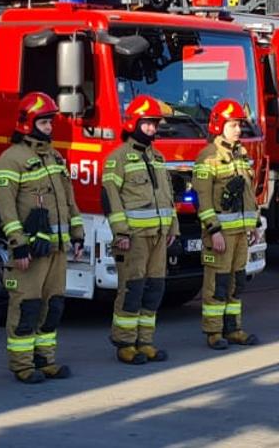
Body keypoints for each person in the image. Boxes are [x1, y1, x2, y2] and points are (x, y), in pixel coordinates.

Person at [0, 92, 85, 383]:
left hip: (56, 249)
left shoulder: (54, 157)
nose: (49, 126)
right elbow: (6, 210)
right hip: (30, 251)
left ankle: (45, 360)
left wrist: (77, 234)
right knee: (26, 306)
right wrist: (18, 246)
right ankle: (22, 364)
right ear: (27, 123)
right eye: (43, 121)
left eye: (50, 121)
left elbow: (68, 200)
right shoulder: (10, 160)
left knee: (53, 305)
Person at [102, 95, 177, 364]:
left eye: (154, 124)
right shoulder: (117, 159)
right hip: (133, 239)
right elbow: (111, 198)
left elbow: (167, 196)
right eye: (147, 124)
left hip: (158, 236)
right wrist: (120, 233)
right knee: (132, 289)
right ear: (133, 123)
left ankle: (145, 342)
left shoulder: (157, 157)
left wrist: (173, 228)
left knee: (154, 288)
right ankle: (124, 343)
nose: (152, 129)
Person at [193, 99, 262, 349]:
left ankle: (233, 328)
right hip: (220, 234)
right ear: (218, 126)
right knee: (217, 284)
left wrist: (253, 224)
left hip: (241, 233)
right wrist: (214, 231)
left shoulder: (241, 154)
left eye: (239, 125)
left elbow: (249, 194)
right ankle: (214, 332)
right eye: (233, 125)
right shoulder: (208, 156)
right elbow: (202, 198)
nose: (238, 130)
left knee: (237, 282)